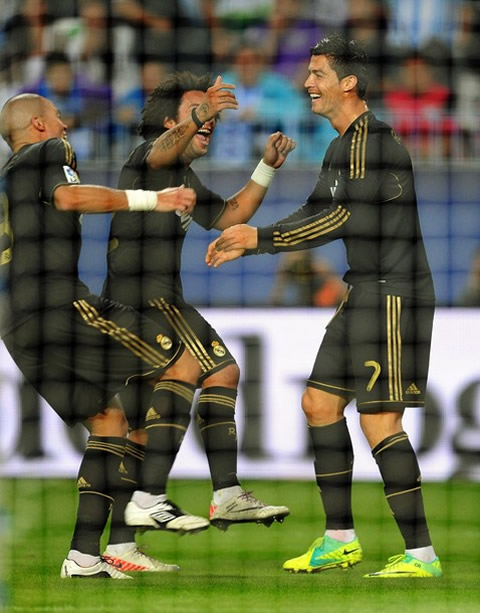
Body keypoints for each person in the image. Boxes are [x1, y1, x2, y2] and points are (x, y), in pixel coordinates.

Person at [206, 34, 442, 579]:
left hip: (393, 295)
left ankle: (422, 555)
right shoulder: (340, 145)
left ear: (348, 82)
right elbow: (317, 209)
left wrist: (258, 238)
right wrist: (251, 237)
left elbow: (343, 220)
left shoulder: (372, 143)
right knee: (318, 404)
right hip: (365, 291)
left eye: (317, 74)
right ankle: (340, 539)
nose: (307, 83)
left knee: (379, 419)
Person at [100, 71, 295, 571]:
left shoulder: (185, 177)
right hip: (142, 300)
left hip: (145, 305)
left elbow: (230, 215)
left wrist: (266, 168)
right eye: (194, 114)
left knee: (142, 433)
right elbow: (164, 147)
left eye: (208, 116)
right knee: (219, 369)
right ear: (172, 123)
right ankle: (220, 492)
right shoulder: (147, 158)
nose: (207, 123)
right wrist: (202, 111)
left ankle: (119, 549)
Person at [0, 93, 199, 579]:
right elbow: (69, 197)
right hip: (58, 305)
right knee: (183, 359)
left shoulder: (7, 177)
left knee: (108, 420)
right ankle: (150, 498)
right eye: (60, 118)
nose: (67, 125)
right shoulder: (51, 152)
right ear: (41, 125)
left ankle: (85, 556)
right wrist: (156, 199)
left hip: (16, 323)